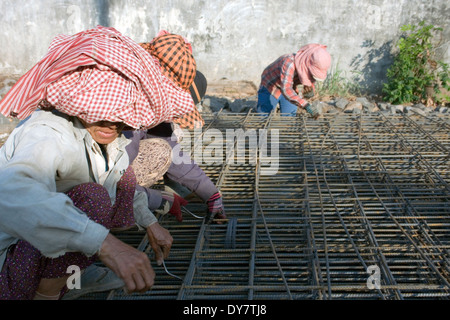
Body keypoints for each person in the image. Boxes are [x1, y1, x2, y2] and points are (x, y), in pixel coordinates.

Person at [0, 26, 196, 300]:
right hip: (9, 265)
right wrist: (107, 245)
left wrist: (151, 223)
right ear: (81, 102)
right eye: (102, 114)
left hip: (39, 249)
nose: (112, 123)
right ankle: (49, 293)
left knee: (123, 178)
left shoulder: (109, 138)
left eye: (121, 117)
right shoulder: (48, 133)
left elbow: (119, 179)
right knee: (92, 199)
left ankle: (74, 274)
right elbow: (13, 193)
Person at [256, 44, 331, 118]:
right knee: (264, 116)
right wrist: (305, 105)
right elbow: (286, 89)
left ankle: (285, 128)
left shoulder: (308, 66)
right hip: (271, 86)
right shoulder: (289, 63)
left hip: (290, 87)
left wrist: (309, 87)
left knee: (289, 118)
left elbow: (309, 78)